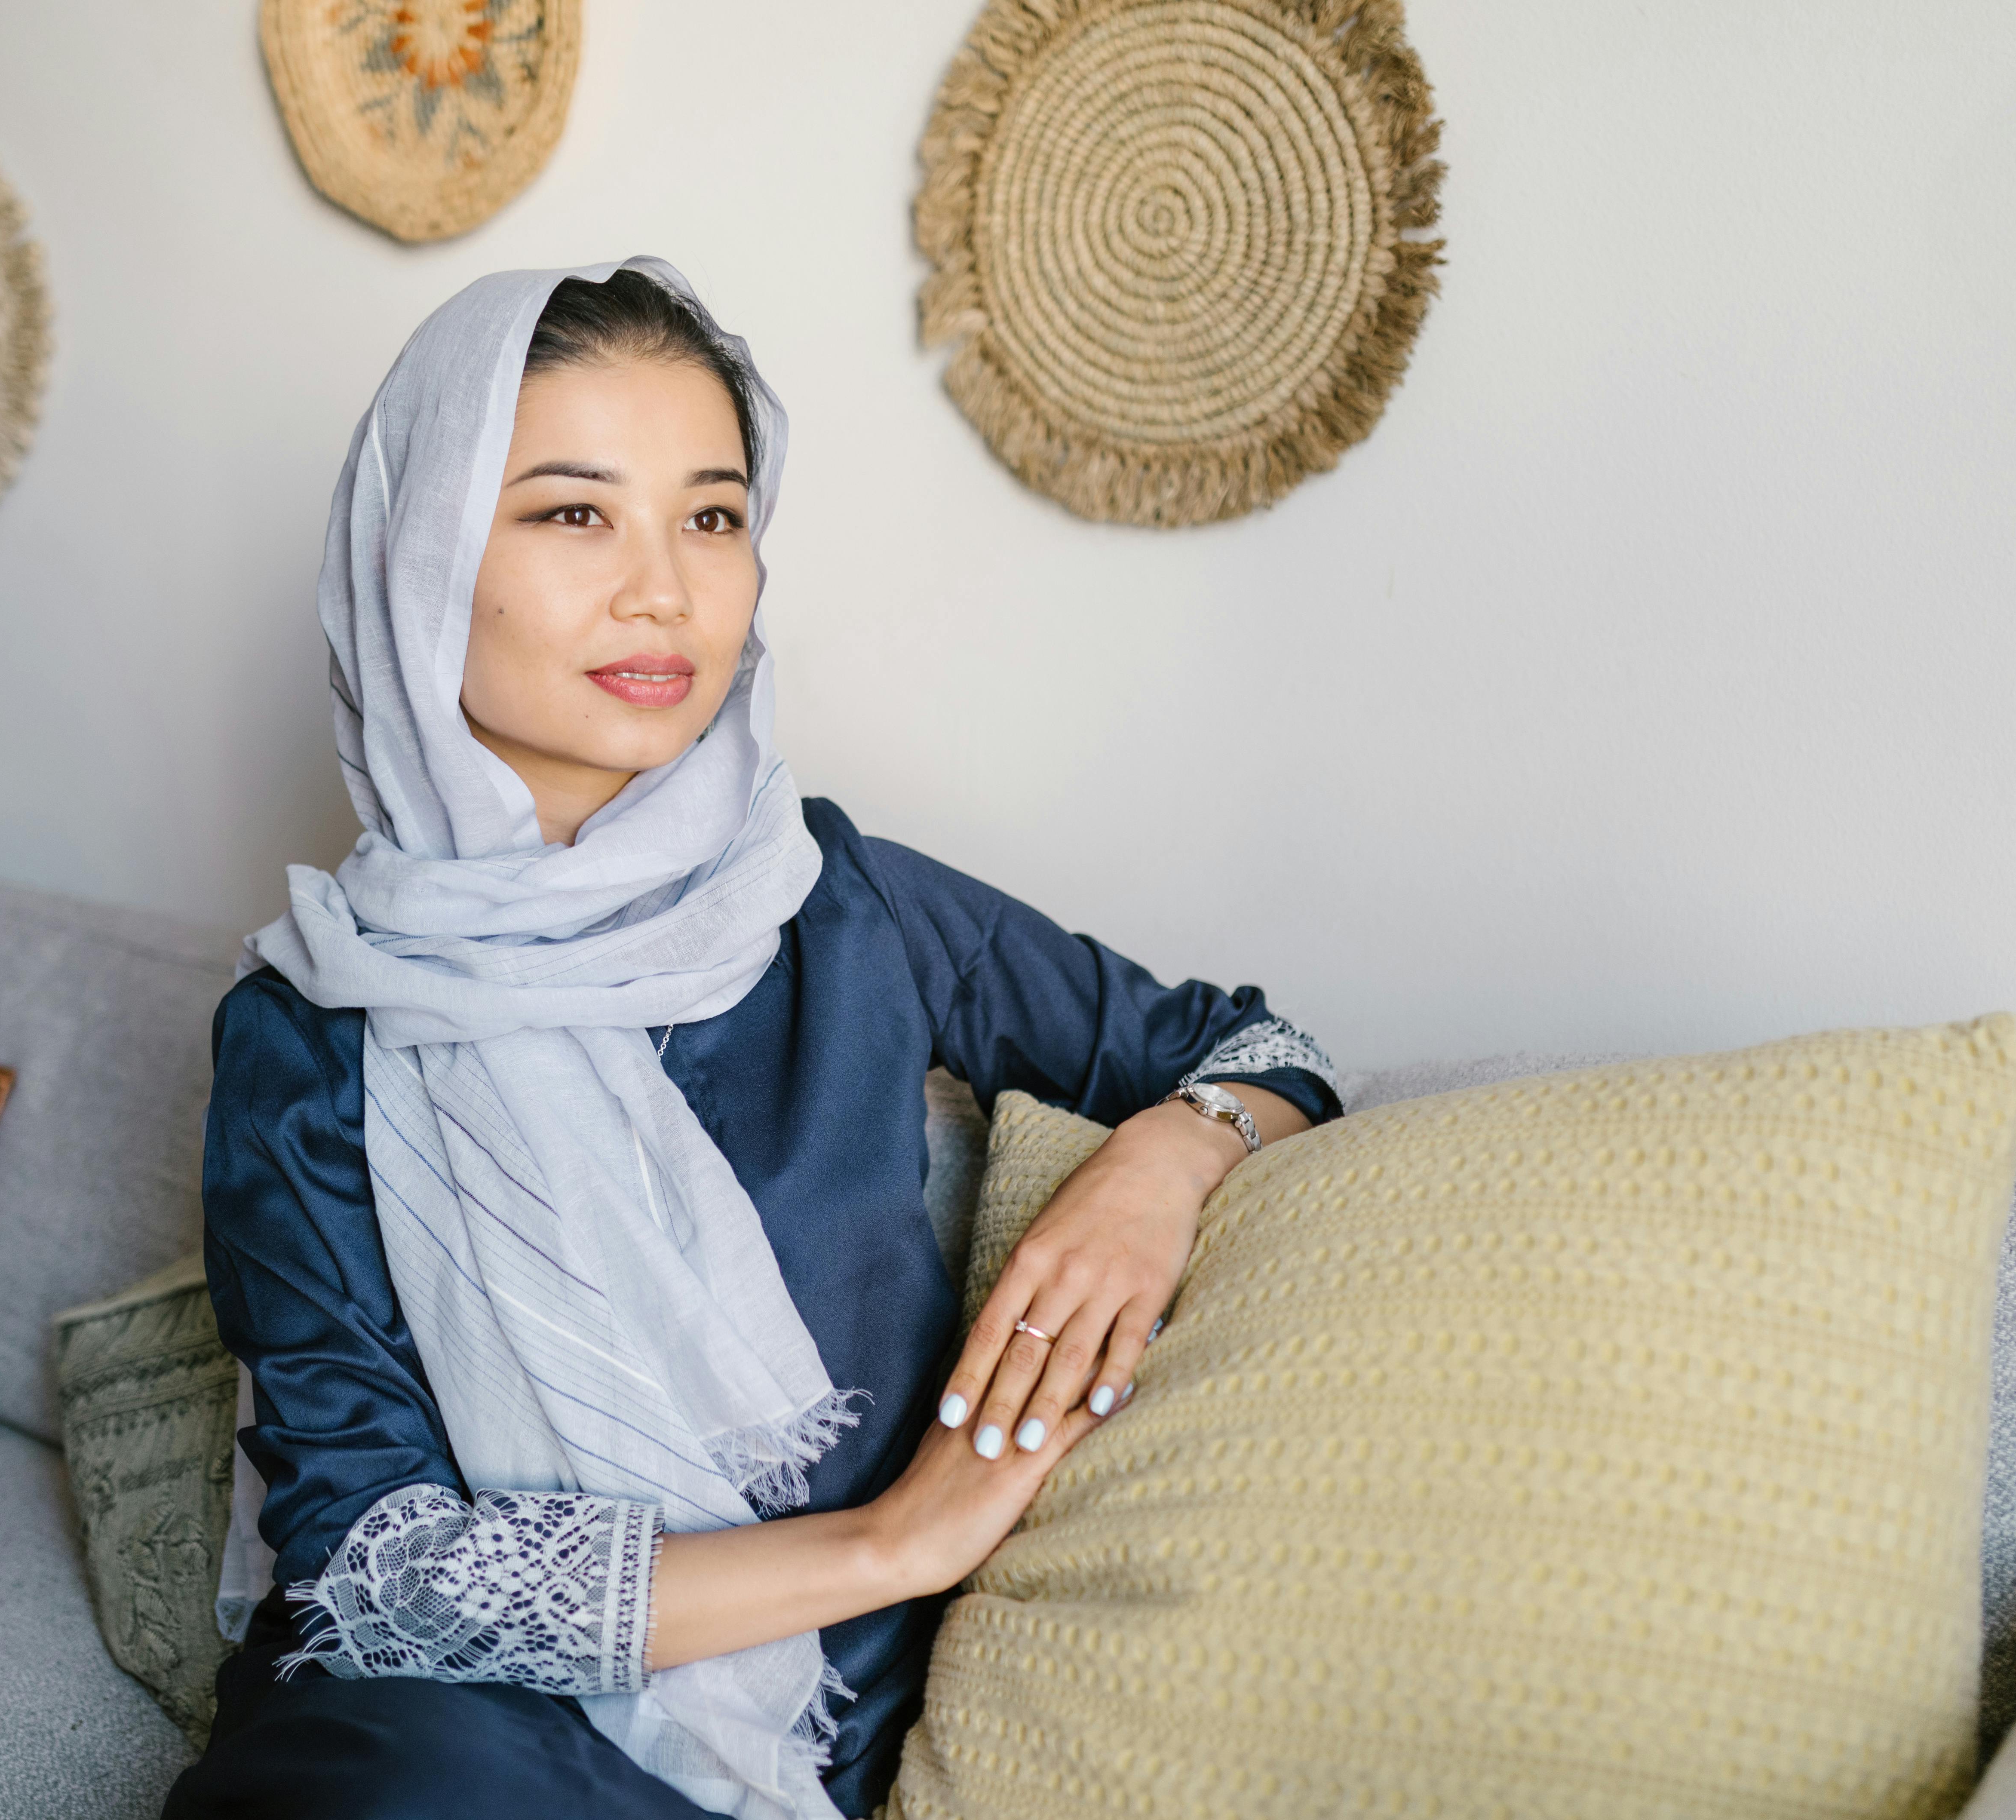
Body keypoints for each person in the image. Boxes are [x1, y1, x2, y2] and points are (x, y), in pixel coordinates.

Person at [165, 258, 1339, 1820]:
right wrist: (897, 1542)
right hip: (443, 1749)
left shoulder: (839, 900)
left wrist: (1162, 1161)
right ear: (419, 558)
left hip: (808, 1748)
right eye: (575, 513)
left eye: (712, 517)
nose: (666, 590)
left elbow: (1263, 1043)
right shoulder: (312, 1029)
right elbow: (379, 1571)